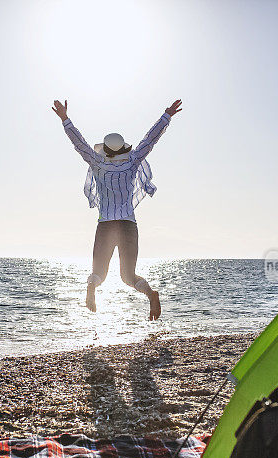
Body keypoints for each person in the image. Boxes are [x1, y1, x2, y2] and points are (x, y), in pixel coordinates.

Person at [52, 98, 182, 320]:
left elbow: (79, 143)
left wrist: (65, 118)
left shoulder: (97, 163)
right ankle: (150, 294)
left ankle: (92, 288)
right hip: (128, 225)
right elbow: (150, 140)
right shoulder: (132, 162)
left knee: (99, 274)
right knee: (128, 277)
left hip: (105, 225)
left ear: (105, 151)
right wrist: (167, 115)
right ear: (123, 149)